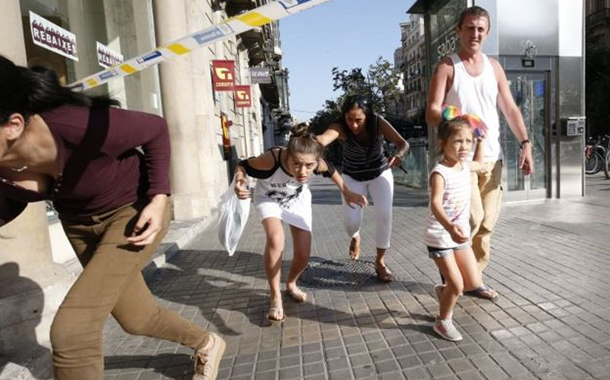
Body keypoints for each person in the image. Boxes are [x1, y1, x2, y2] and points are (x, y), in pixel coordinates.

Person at [0, 56, 223, 380]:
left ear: (13, 125)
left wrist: (160, 197)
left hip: (132, 213)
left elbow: (156, 129)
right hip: (78, 226)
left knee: (72, 331)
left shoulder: (78, 125)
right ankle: (207, 342)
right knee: (136, 318)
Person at [426, 6, 534, 283]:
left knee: (487, 223)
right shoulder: (448, 66)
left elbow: (510, 109)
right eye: (470, 28)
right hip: (461, 160)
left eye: (481, 29)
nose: (475, 33)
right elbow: (432, 112)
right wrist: (465, 118)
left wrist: (526, 143)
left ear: (487, 33)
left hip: (492, 158)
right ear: (458, 31)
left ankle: (474, 278)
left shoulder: (494, 67)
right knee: (471, 219)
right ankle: (453, 276)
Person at [233, 123, 367, 322]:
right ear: (288, 156)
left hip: (297, 200)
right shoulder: (272, 159)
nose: (303, 171)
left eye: (309, 166)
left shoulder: (317, 162)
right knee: (276, 239)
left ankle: (291, 284)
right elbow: (243, 165)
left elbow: (331, 170)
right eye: (296, 164)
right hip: (269, 197)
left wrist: (346, 191)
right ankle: (275, 296)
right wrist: (239, 181)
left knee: (304, 254)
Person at [317, 95, 409, 282]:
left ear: (367, 116)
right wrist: (310, 143)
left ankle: (380, 262)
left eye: (358, 120)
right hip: (352, 177)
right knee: (351, 222)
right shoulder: (340, 126)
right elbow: (324, 139)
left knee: (384, 215)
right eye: (349, 119)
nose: (354, 125)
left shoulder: (377, 122)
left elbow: (403, 144)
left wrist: (400, 154)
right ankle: (355, 236)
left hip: (380, 173)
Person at [424, 114, 498, 342]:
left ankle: (443, 291)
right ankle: (443, 321)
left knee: (472, 282)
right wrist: (450, 227)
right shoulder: (440, 172)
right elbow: (435, 204)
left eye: (468, 141)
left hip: (459, 236)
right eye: (458, 141)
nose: (464, 146)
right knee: (456, 286)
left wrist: (482, 141)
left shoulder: (464, 166)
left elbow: (480, 163)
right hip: (440, 236)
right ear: (442, 143)